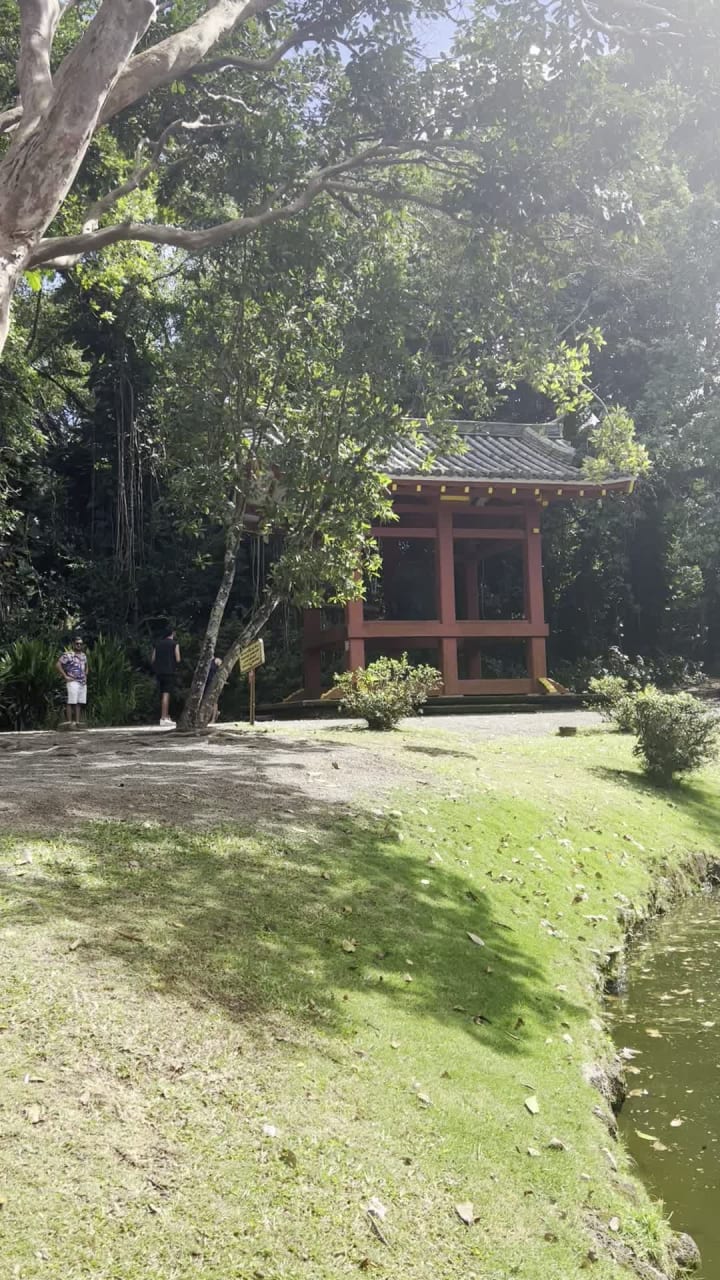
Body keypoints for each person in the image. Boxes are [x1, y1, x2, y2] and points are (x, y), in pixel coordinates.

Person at [152, 626, 180, 727]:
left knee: (162, 693)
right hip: (169, 672)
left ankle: (166, 716)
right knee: (166, 694)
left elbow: (153, 659)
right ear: (172, 633)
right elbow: (178, 658)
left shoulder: (157, 644)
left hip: (159, 672)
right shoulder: (174, 644)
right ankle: (163, 718)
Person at [57, 635, 89, 726]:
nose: (79, 645)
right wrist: (65, 676)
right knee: (71, 701)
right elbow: (58, 665)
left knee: (79, 702)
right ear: (73, 644)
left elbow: (86, 666)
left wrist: (86, 675)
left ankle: (77, 722)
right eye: (77, 643)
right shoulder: (68, 655)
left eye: (80, 644)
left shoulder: (83, 655)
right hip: (72, 680)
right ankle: (69, 723)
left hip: (82, 681)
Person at [204, 655, 222, 724]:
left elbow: (222, 670)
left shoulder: (216, 660)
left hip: (214, 683)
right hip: (206, 684)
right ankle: (208, 718)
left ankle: (213, 719)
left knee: (214, 701)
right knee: (206, 701)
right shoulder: (205, 662)